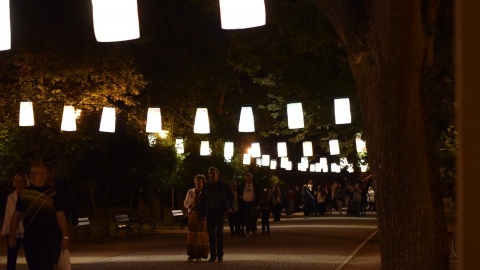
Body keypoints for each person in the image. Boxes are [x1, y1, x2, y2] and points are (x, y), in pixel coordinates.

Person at [8, 163, 70, 270]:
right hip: (30, 237)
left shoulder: (53, 193)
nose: (32, 175)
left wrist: (65, 237)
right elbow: (16, 215)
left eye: (36, 173)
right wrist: (11, 235)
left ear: (44, 175)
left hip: (48, 237)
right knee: (33, 264)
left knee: (45, 265)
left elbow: (61, 216)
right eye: (31, 172)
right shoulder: (24, 193)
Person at [43, 162, 78, 269]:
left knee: (57, 244)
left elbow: (70, 202)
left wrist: (74, 219)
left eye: (46, 172)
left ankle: (54, 264)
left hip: (59, 220)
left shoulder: (62, 186)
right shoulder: (41, 187)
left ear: (52, 173)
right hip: (45, 222)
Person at [198, 167, 234, 263]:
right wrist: (201, 212)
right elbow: (202, 199)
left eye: (213, 173)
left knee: (219, 233)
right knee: (211, 235)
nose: (211, 175)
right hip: (210, 212)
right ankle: (213, 255)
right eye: (210, 173)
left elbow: (231, 196)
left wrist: (229, 206)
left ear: (217, 174)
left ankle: (220, 255)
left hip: (220, 212)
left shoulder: (223, 185)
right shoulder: (207, 186)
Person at [1, 173, 30, 270]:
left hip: (27, 232)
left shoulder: (30, 196)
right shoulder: (11, 197)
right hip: (14, 232)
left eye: (20, 181)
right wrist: (4, 231)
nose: (18, 183)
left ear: (25, 182)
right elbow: (8, 214)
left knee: (31, 258)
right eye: (16, 181)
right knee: (11, 259)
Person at [183, 174, 209, 262]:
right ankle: (191, 254)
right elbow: (185, 203)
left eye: (199, 181)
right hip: (192, 216)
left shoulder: (205, 192)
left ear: (203, 182)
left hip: (202, 216)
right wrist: (189, 205)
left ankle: (199, 255)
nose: (197, 182)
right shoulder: (190, 192)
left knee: (200, 236)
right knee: (192, 236)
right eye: (196, 180)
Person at [237, 173, 260, 237]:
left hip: (252, 202)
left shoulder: (254, 185)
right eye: (247, 178)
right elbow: (239, 191)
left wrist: (257, 203)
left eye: (249, 178)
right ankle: (248, 230)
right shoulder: (243, 185)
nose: (248, 179)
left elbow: (258, 193)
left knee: (252, 217)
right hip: (245, 202)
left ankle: (253, 229)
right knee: (246, 217)